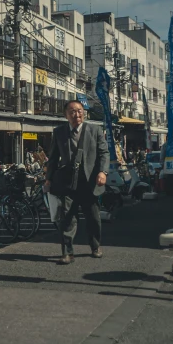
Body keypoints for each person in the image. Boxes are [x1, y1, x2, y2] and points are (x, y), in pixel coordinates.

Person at [45, 100, 110, 264]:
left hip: (90, 182)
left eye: (80, 110)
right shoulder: (59, 132)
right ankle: (67, 252)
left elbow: (104, 153)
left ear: (84, 112)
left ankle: (95, 246)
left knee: (93, 218)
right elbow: (52, 158)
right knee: (67, 218)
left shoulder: (94, 130)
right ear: (66, 115)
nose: (77, 114)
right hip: (68, 182)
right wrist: (48, 179)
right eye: (72, 111)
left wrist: (103, 171)